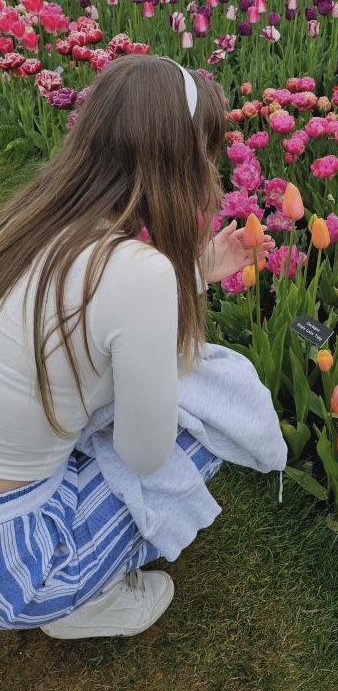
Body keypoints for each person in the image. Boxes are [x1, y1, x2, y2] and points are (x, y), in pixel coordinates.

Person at [0, 54, 285, 638]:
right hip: (19, 562)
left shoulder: (36, 223)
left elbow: (88, 321)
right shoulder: (139, 274)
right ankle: (80, 600)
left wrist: (193, 272)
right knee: (209, 411)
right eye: (206, 154)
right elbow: (145, 455)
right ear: (179, 161)